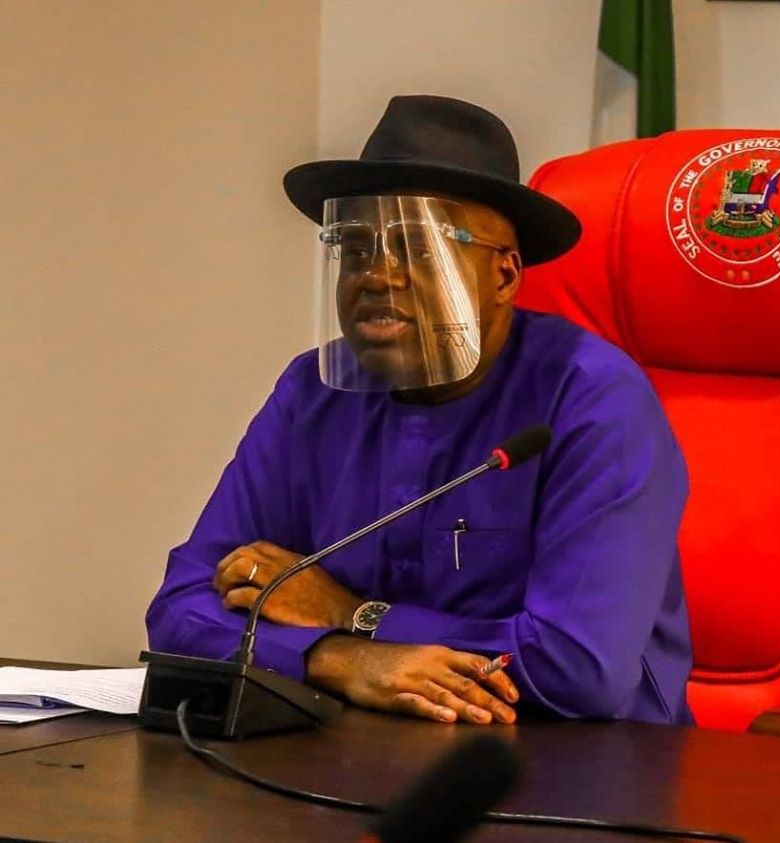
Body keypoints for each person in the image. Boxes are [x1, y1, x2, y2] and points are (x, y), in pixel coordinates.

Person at [146, 95, 694, 727]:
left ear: (504, 276)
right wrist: (336, 657)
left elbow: (580, 670)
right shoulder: (313, 391)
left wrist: (352, 616)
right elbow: (181, 608)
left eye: (420, 248)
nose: (377, 276)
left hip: (578, 763)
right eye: (355, 249)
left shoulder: (591, 398)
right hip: (359, 752)